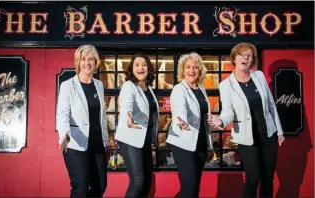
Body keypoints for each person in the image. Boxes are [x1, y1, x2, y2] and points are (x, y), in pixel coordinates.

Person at [208, 42, 285, 198]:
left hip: (268, 134)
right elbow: (228, 112)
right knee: (253, 178)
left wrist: (279, 132)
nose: (246, 58)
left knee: (267, 178)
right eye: (242, 54)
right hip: (247, 138)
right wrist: (220, 121)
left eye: (250, 55)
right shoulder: (226, 85)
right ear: (234, 59)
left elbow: (271, 105)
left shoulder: (259, 76)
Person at [56, 45, 109, 198]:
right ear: (78, 63)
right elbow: (62, 113)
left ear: (96, 62)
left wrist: (106, 140)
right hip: (75, 143)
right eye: (83, 59)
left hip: (97, 143)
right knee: (81, 187)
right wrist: (64, 134)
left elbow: (102, 116)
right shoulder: (68, 85)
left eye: (91, 59)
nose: (87, 63)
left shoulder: (99, 85)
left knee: (100, 187)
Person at [166, 52, 213, 197]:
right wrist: (182, 122)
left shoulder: (202, 89)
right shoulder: (179, 89)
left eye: (195, 67)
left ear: (200, 70)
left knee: (195, 188)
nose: (192, 71)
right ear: (182, 70)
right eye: (188, 67)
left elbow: (205, 119)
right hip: (183, 142)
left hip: (200, 142)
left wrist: (209, 145)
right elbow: (180, 110)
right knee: (190, 186)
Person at [115, 53, 159, 197]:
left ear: (148, 68)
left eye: (144, 65)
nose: (141, 68)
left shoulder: (148, 89)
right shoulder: (129, 86)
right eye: (137, 65)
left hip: (144, 140)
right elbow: (126, 104)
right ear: (132, 69)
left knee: (146, 182)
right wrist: (127, 115)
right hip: (130, 138)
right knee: (138, 182)